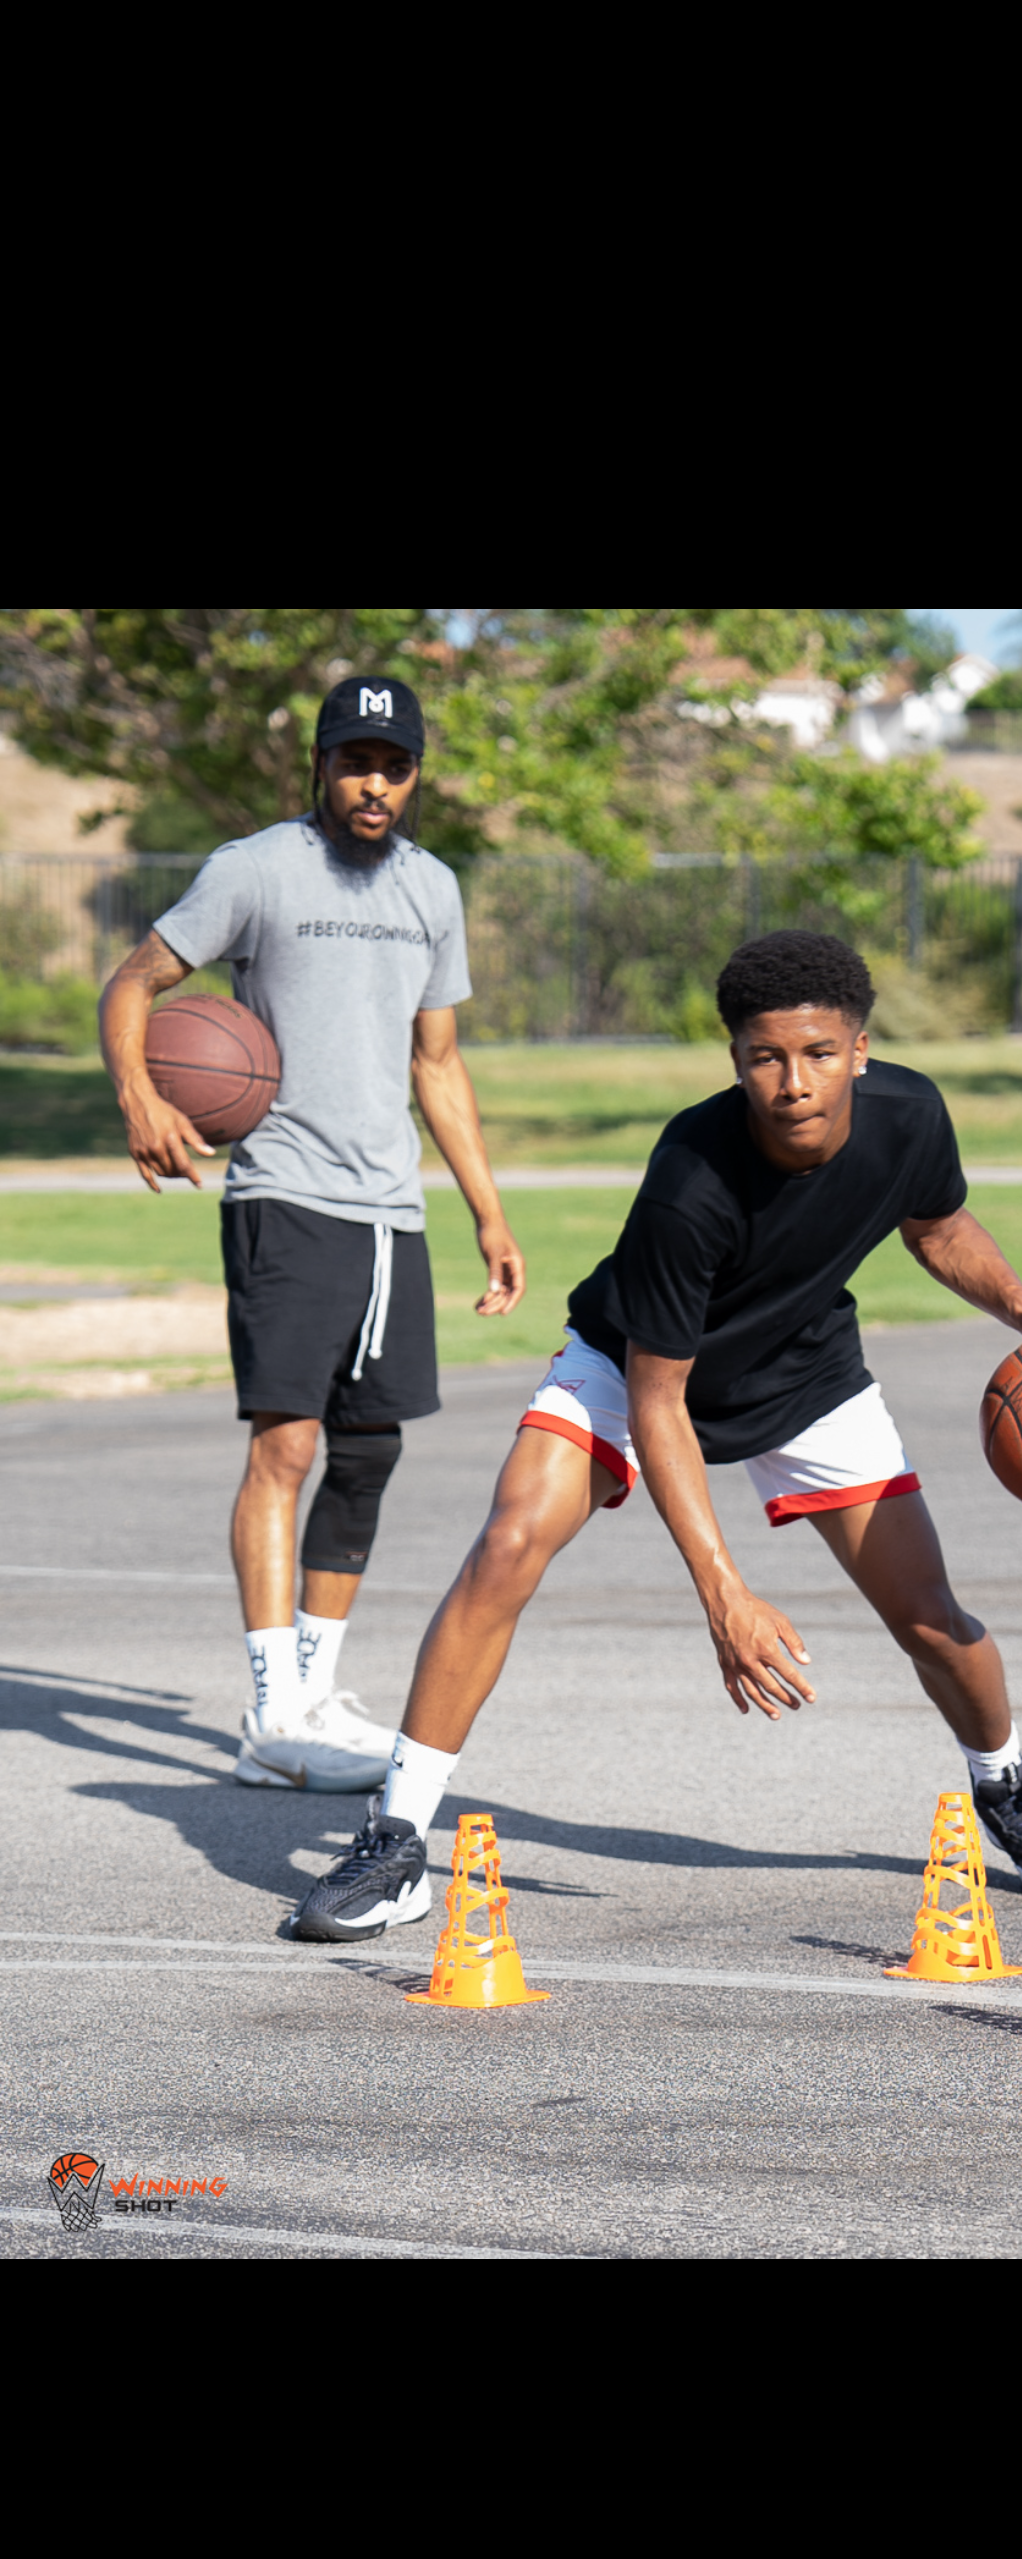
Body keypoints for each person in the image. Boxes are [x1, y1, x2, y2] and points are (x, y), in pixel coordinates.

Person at [292, 930, 1022, 1942]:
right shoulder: (691, 1178)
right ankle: (396, 1840)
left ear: (860, 1051)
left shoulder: (910, 1116)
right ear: (736, 1060)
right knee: (509, 1543)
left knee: (927, 1613)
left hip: (804, 1369)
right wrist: (725, 1593)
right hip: (633, 1366)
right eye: (764, 1058)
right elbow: (663, 1402)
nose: (793, 1082)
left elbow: (939, 1226)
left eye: (818, 1054)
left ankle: (1005, 1784)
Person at [99, 674, 524, 1793]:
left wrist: (487, 1211)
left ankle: (317, 1689)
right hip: (284, 1195)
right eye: (354, 762)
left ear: (414, 772)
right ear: (322, 766)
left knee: (371, 1450)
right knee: (286, 1445)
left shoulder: (434, 888)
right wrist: (141, 1097)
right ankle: (271, 1710)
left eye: (392, 765)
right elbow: (135, 982)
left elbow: (437, 1062)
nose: (372, 784)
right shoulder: (254, 870)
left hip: (392, 1211)